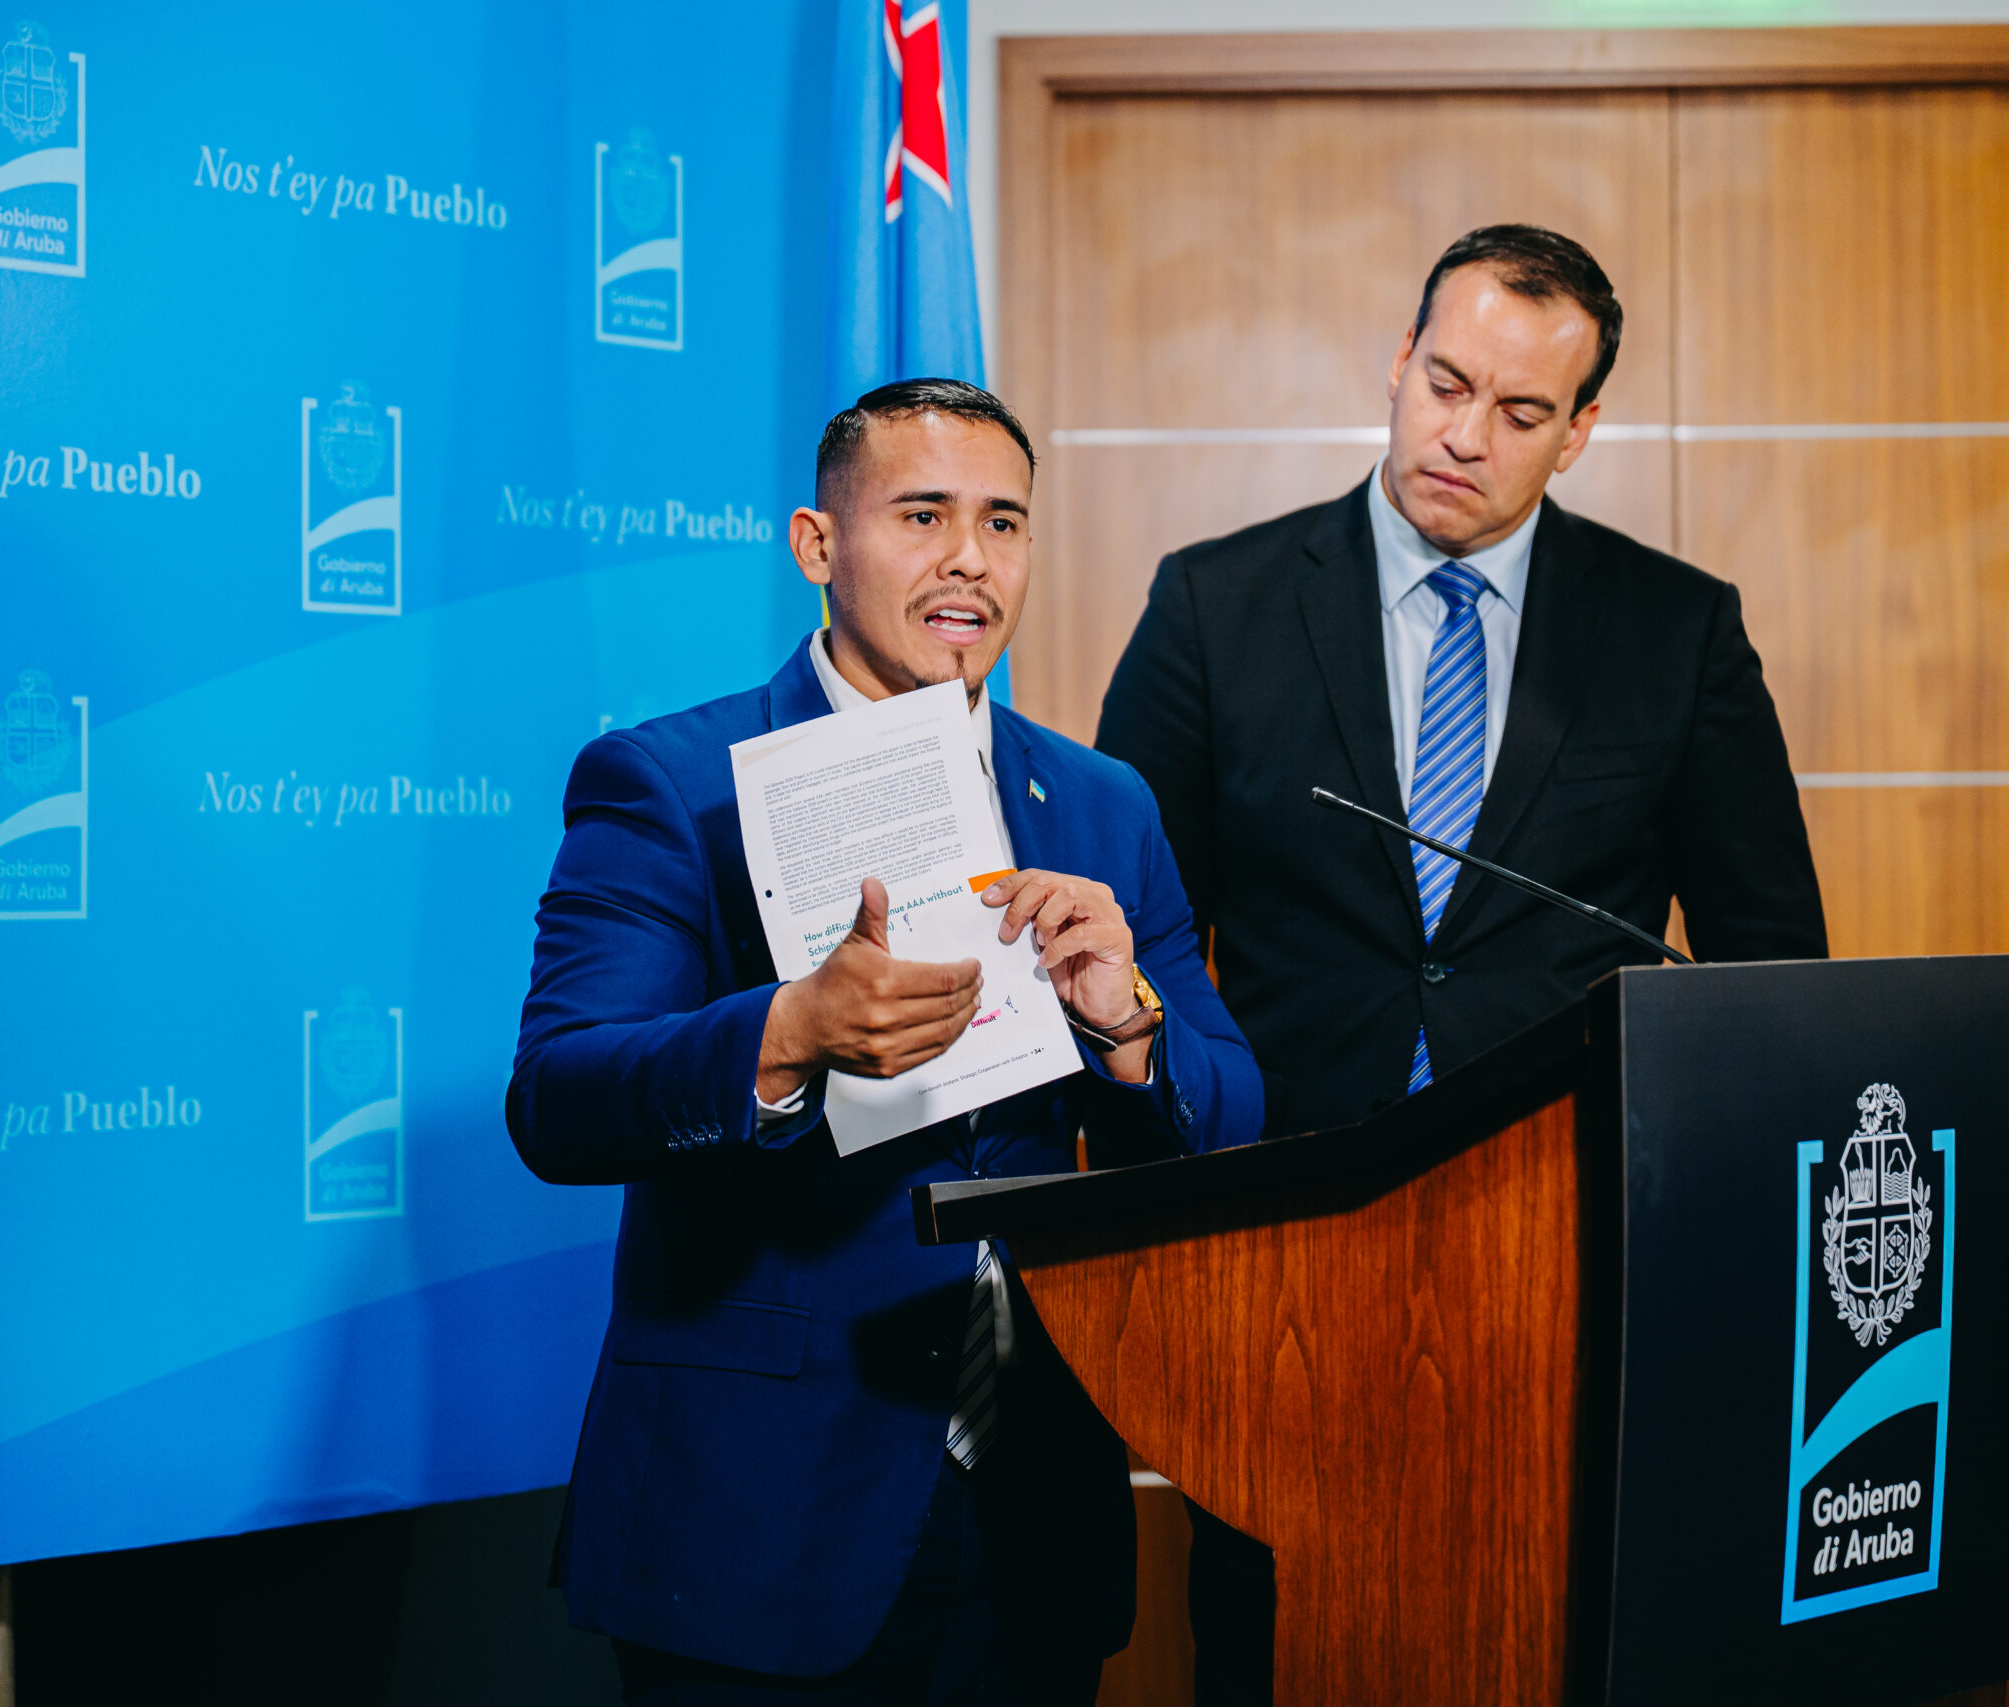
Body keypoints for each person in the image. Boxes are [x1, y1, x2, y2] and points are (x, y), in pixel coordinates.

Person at [1094, 223, 1827, 1704]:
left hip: (1563, 1256)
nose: (1465, 435)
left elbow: (1773, 974)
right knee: (1277, 1645)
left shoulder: (1677, 630)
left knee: (1542, 1639)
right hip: (1281, 1247)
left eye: (1521, 410)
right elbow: (1128, 937)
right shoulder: (1214, 605)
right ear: (1398, 361)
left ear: (1581, 431)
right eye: (1446, 383)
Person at [507, 378, 1263, 1705]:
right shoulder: (672, 781)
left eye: (1003, 524)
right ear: (818, 544)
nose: (970, 557)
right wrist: (787, 1034)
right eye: (923, 515)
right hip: (757, 1514)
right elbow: (560, 1096)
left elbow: (1234, 1110)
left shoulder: (1102, 802)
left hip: (1036, 1509)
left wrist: (1127, 1023)